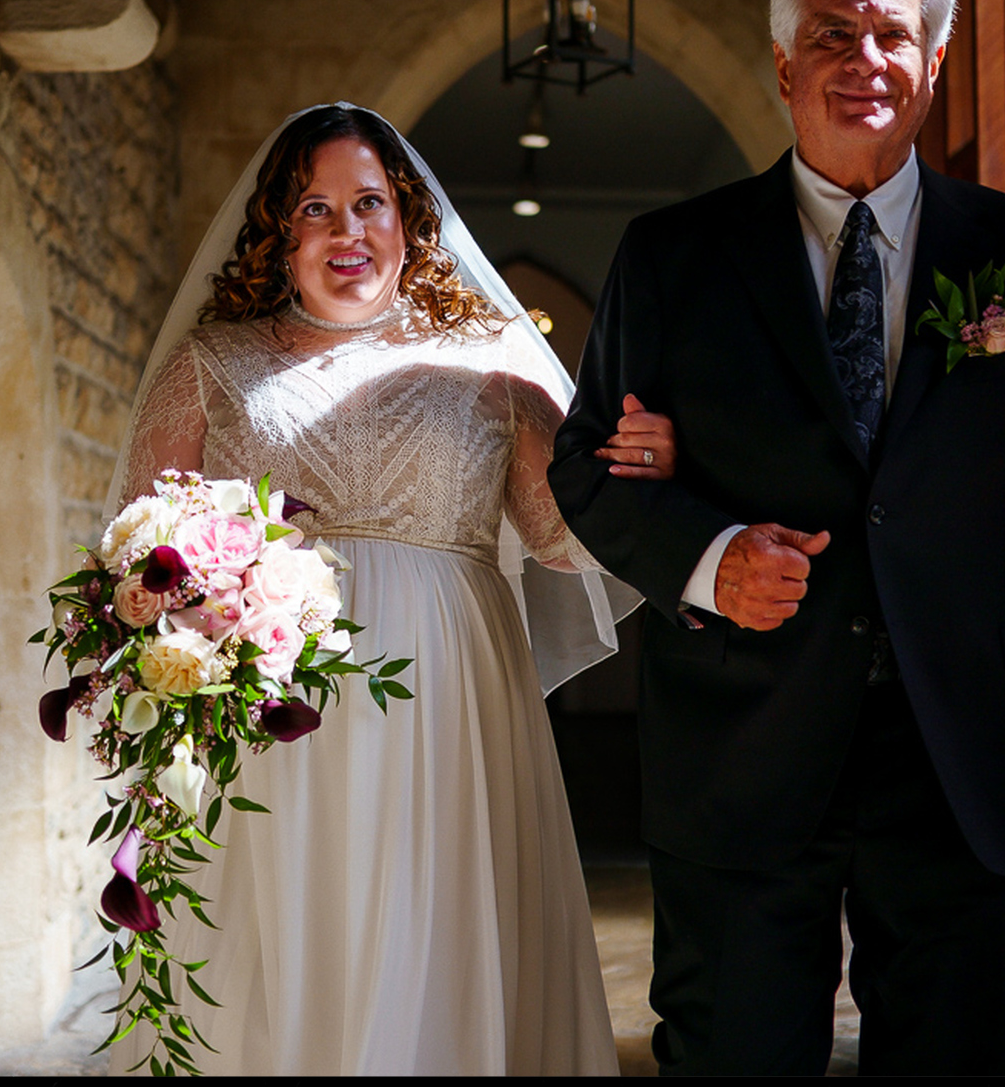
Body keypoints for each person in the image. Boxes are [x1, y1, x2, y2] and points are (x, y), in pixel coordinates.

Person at [549, 0, 1005, 1075]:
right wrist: (709, 554)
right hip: (743, 742)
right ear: (784, 67)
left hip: (971, 746)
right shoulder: (672, 256)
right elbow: (586, 464)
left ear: (932, 63)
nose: (863, 58)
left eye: (892, 33)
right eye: (833, 33)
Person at [108, 103, 670, 1075]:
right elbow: (131, 554)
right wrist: (179, 613)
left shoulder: (493, 374)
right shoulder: (211, 367)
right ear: (278, 229)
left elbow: (567, 543)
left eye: (367, 202)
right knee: (288, 944)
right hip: (272, 718)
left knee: (441, 929)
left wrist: (639, 475)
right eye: (314, 207)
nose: (346, 231)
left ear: (408, 217)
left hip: (452, 712)